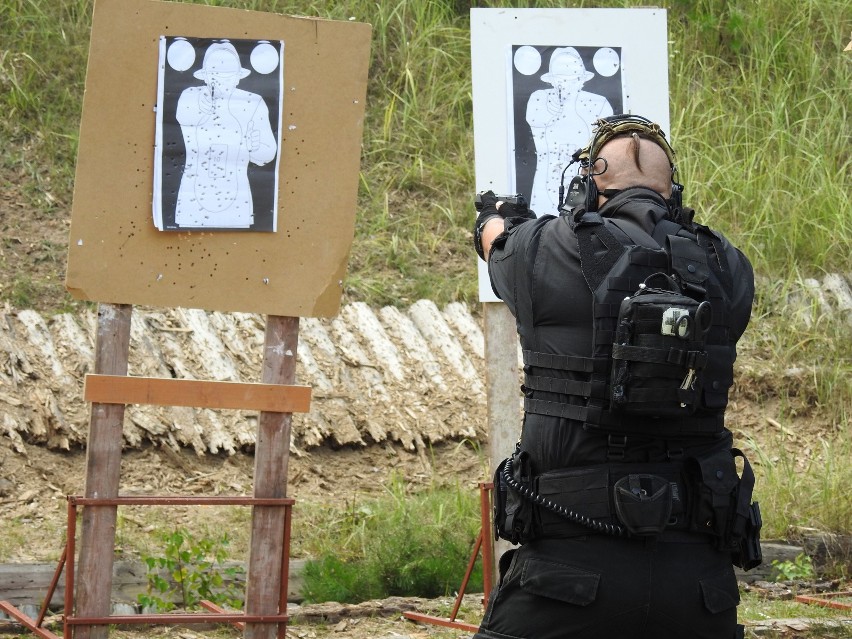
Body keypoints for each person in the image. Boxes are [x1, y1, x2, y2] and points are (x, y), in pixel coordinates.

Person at [472, 115, 760, 639]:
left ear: (589, 184)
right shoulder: (729, 266)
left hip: (563, 581)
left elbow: (497, 243)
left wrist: (498, 220)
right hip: (699, 587)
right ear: (671, 191)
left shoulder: (541, 247)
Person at [175, 41, 277, 229]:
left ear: (238, 78)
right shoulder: (191, 96)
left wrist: (255, 148)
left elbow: (268, 154)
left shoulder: (253, 103)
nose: (221, 82)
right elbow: (183, 114)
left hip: (237, 202)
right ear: (205, 77)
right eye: (215, 76)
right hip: (193, 200)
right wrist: (201, 108)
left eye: (227, 76)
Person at [525, 47, 613, 214]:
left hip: (588, 190)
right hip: (546, 188)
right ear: (552, 81)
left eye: (572, 79)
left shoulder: (598, 104)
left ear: (581, 80)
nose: (566, 85)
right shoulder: (540, 100)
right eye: (561, 80)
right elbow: (536, 119)